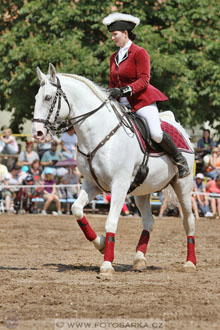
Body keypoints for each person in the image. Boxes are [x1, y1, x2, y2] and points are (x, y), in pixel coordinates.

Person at [102, 12, 189, 178]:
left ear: (125, 33)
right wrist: (109, 94)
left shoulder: (140, 53)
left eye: (115, 34)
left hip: (142, 101)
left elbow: (144, 80)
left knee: (156, 133)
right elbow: (113, 82)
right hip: (120, 104)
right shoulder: (114, 57)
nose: (112, 38)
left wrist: (123, 91)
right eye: (112, 35)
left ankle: (179, 159)